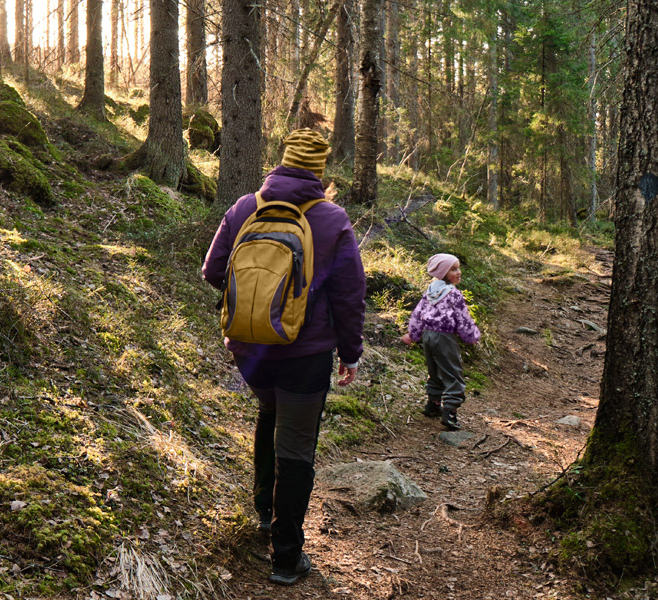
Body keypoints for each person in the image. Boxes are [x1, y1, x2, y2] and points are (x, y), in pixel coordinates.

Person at [202, 128, 366, 586]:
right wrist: (350, 352)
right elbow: (350, 295)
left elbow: (213, 271)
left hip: (248, 348)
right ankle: (286, 557)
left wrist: (258, 307)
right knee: (295, 444)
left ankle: (262, 514)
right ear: (320, 172)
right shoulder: (331, 219)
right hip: (305, 353)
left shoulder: (244, 207)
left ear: (281, 162)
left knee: (269, 411)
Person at [401, 253, 480, 430]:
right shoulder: (453, 295)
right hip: (445, 337)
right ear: (443, 273)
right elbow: (463, 318)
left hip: (428, 336)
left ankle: (433, 404)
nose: (458, 272)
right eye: (453, 269)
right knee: (452, 372)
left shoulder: (430, 292)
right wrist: (471, 336)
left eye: (458, 268)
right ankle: (450, 412)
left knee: (434, 369)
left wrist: (413, 334)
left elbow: (417, 314)